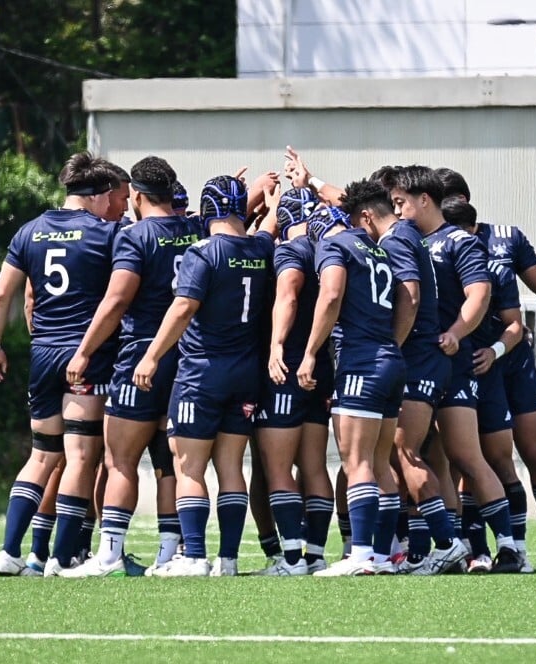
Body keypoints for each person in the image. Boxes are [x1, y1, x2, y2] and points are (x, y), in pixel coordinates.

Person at [60, 156, 203, 577]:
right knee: (168, 462)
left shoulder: (135, 236)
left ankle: (108, 555)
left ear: (137, 195)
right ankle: (168, 553)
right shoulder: (194, 230)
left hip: (141, 356)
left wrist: (84, 351)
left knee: (120, 460)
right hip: (185, 356)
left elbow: (118, 299)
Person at [436, 168, 536, 573]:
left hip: (511, 360)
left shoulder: (504, 239)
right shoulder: (430, 243)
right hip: (470, 363)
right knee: (475, 457)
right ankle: (484, 549)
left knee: (531, 448)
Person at [136, 175, 280, 577]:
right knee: (231, 466)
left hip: (202, 373)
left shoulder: (203, 252)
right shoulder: (261, 248)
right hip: (245, 374)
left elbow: (183, 308)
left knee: (190, 467)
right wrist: (270, 199)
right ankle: (228, 560)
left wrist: (151, 356)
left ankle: (195, 556)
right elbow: (267, 226)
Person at [0, 152, 121, 577]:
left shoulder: (29, 231)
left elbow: (1, 296)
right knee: (80, 455)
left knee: (42, 454)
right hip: (84, 354)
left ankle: (9, 552)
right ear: (97, 195)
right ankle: (62, 559)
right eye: (110, 197)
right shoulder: (105, 233)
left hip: (42, 352)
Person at [388, 165, 521, 574]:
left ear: (424, 200)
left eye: (401, 203)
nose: (396, 211)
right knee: (430, 456)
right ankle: (448, 548)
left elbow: (479, 294)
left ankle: (509, 548)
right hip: (422, 362)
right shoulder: (410, 239)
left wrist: (456, 333)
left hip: (452, 363)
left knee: (463, 455)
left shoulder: (459, 241)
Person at [342, 177, 468, 576]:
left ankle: (447, 542)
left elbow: (409, 295)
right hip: (422, 358)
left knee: (405, 452)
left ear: (366, 217)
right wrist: (311, 181)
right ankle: (387, 553)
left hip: (416, 357)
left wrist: (390, 345)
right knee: (397, 456)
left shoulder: (395, 239)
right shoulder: (408, 231)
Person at [297, 203, 405, 576]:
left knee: (357, 461)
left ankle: (360, 556)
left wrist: (310, 352)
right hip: (390, 359)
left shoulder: (333, 245)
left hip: (361, 361)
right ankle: (383, 556)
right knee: (380, 462)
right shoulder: (376, 247)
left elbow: (330, 296)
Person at [441, 195, 532, 570]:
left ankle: (516, 549)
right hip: (447, 372)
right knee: (451, 463)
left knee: (497, 461)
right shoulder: (431, 261)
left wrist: (494, 351)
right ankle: (472, 550)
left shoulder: (494, 270)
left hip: (486, 373)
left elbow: (515, 326)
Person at [256, 186, 334, 576]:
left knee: (277, 467)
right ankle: (316, 555)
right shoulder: (329, 250)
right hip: (321, 367)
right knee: (314, 465)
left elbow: (287, 295)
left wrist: (276, 346)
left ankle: (290, 559)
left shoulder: (290, 251)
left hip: (287, 367)